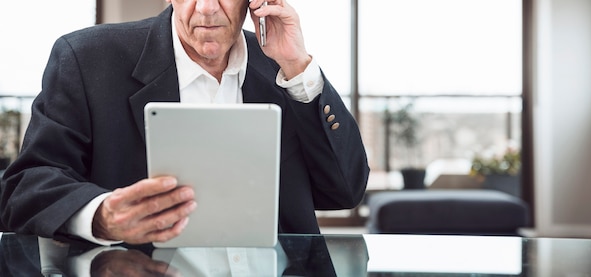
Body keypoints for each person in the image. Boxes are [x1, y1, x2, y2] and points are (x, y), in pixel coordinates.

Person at [0, 0, 369, 245]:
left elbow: (344, 192)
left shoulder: (284, 69)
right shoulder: (87, 58)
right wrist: (101, 216)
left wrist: (298, 68)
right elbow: (25, 187)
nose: (206, 8)